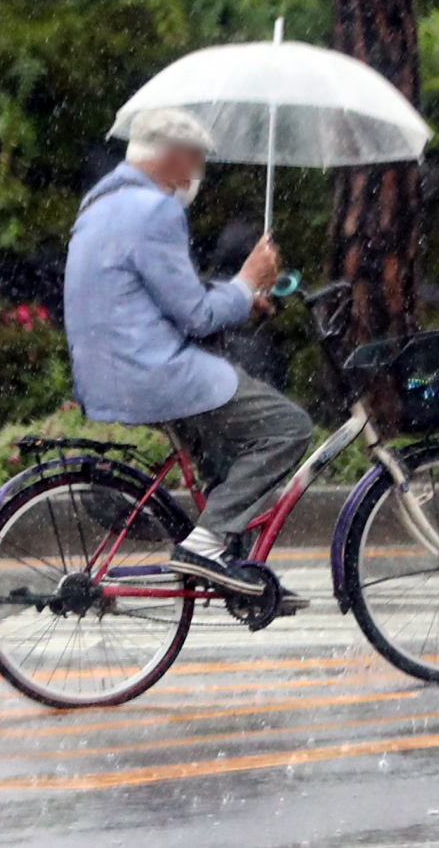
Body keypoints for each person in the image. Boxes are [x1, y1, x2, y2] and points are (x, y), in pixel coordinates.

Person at [63, 108, 314, 608]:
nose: (197, 173)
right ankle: (207, 544)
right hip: (154, 373)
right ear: (171, 157)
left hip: (108, 371)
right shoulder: (155, 210)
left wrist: (242, 298)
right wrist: (247, 281)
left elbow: (162, 297)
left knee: (227, 453)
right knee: (288, 428)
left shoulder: (102, 205)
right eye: (196, 160)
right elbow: (196, 315)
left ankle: (237, 571)